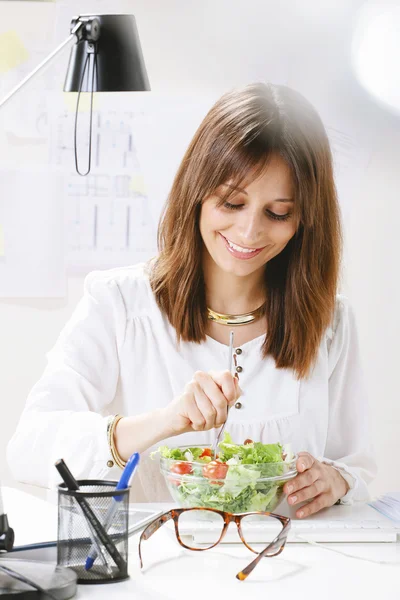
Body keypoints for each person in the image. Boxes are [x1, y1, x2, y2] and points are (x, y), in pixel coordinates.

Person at [7, 82, 377, 516]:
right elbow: (28, 447)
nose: (248, 232)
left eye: (278, 213)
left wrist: (336, 480)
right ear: (197, 191)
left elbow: (357, 470)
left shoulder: (329, 320)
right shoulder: (120, 303)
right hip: (157, 571)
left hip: (285, 571)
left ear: (305, 220)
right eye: (231, 202)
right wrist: (163, 422)